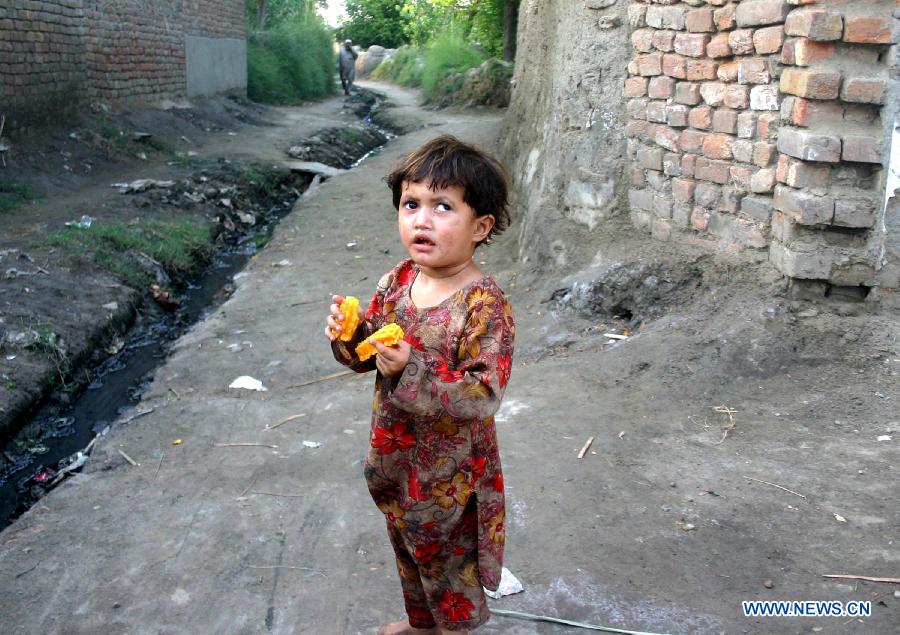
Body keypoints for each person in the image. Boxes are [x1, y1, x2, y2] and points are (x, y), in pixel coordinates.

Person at [325, 135, 515, 634]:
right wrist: (351, 337)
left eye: (442, 206)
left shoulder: (484, 306)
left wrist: (410, 369)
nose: (421, 219)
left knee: (451, 572)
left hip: (451, 480)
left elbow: (483, 394)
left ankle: (448, 629)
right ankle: (421, 626)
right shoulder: (397, 282)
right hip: (396, 463)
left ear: (481, 227)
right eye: (411, 204)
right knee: (410, 555)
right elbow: (369, 355)